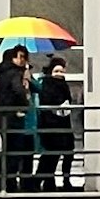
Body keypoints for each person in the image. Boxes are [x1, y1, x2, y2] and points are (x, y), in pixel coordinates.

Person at [0, 46, 32, 191]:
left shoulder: (0, 73)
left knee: (7, 149)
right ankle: (5, 181)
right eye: (19, 57)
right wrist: (25, 103)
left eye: (24, 57)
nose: (22, 60)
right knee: (14, 151)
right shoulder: (16, 73)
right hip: (13, 115)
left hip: (2, 115)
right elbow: (18, 90)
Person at [35, 57, 75, 191]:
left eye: (62, 71)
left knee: (66, 153)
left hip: (62, 123)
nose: (60, 74)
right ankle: (47, 181)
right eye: (57, 71)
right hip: (52, 124)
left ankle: (58, 180)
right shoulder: (48, 85)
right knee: (53, 155)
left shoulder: (61, 85)